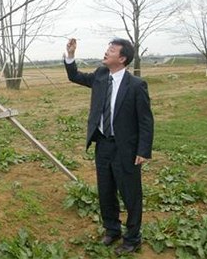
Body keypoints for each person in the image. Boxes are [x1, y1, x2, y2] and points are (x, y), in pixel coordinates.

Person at [64, 37, 154, 254]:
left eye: (111, 50)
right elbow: (75, 76)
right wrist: (70, 55)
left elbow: (145, 120)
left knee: (130, 193)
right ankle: (112, 230)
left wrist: (143, 150)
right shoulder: (100, 75)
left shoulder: (136, 85)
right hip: (103, 145)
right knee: (105, 190)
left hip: (127, 149)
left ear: (122, 58)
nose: (106, 52)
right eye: (107, 48)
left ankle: (132, 238)